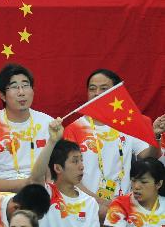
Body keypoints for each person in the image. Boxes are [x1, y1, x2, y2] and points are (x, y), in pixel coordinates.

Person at [64, 69, 164, 218]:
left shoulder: (127, 122)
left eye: (104, 89)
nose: (97, 93)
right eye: (92, 89)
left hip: (124, 206)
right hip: (86, 204)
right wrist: (97, 202)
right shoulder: (74, 128)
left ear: (116, 93)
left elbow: (149, 156)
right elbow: (68, 176)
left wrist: (155, 136)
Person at [0, 63, 54, 193]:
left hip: (41, 191)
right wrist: (27, 183)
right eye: (14, 87)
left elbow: (59, 169)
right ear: (2, 95)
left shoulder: (48, 123)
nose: (21, 92)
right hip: (1, 194)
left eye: (25, 86)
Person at [104, 157, 165, 227]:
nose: (136, 186)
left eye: (143, 182)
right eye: (133, 180)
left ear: (158, 184)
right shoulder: (119, 205)